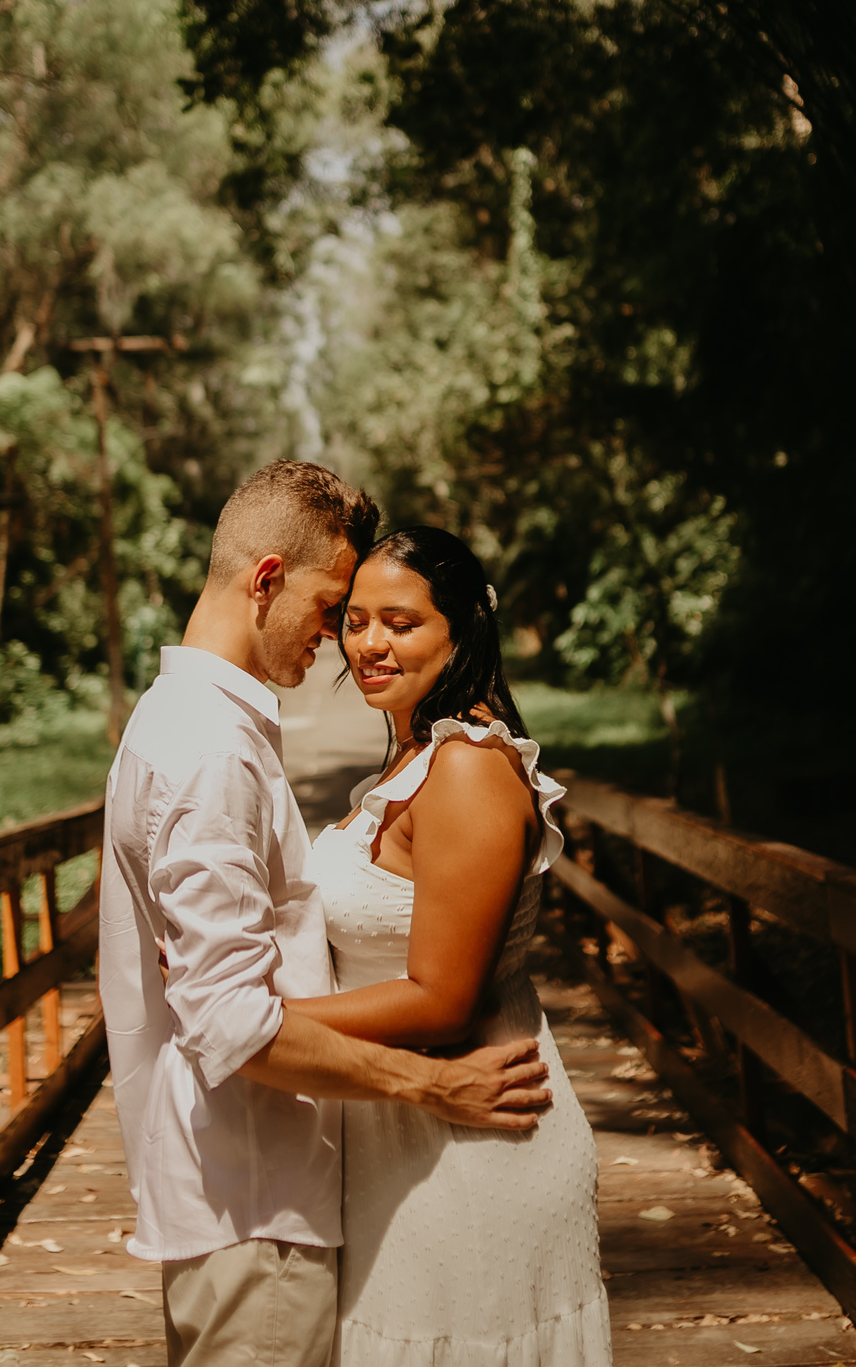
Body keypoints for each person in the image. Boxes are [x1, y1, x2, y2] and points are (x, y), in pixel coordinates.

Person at [99, 462, 551, 1367]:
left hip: (257, 1182)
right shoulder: (211, 751)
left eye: (390, 619)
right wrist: (432, 1086)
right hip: (255, 1193)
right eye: (335, 608)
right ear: (267, 579)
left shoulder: (174, 718)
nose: (343, 639)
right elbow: (230, 1022)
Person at [293, 525, 612, 1366]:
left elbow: (442, 1001)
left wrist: (263, 1021)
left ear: (463, 628)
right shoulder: (414, 756)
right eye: (355, 621)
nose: (370, 644)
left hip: (477, 1157)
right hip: (401, 1141)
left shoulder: (467, 768)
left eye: (401, 623)